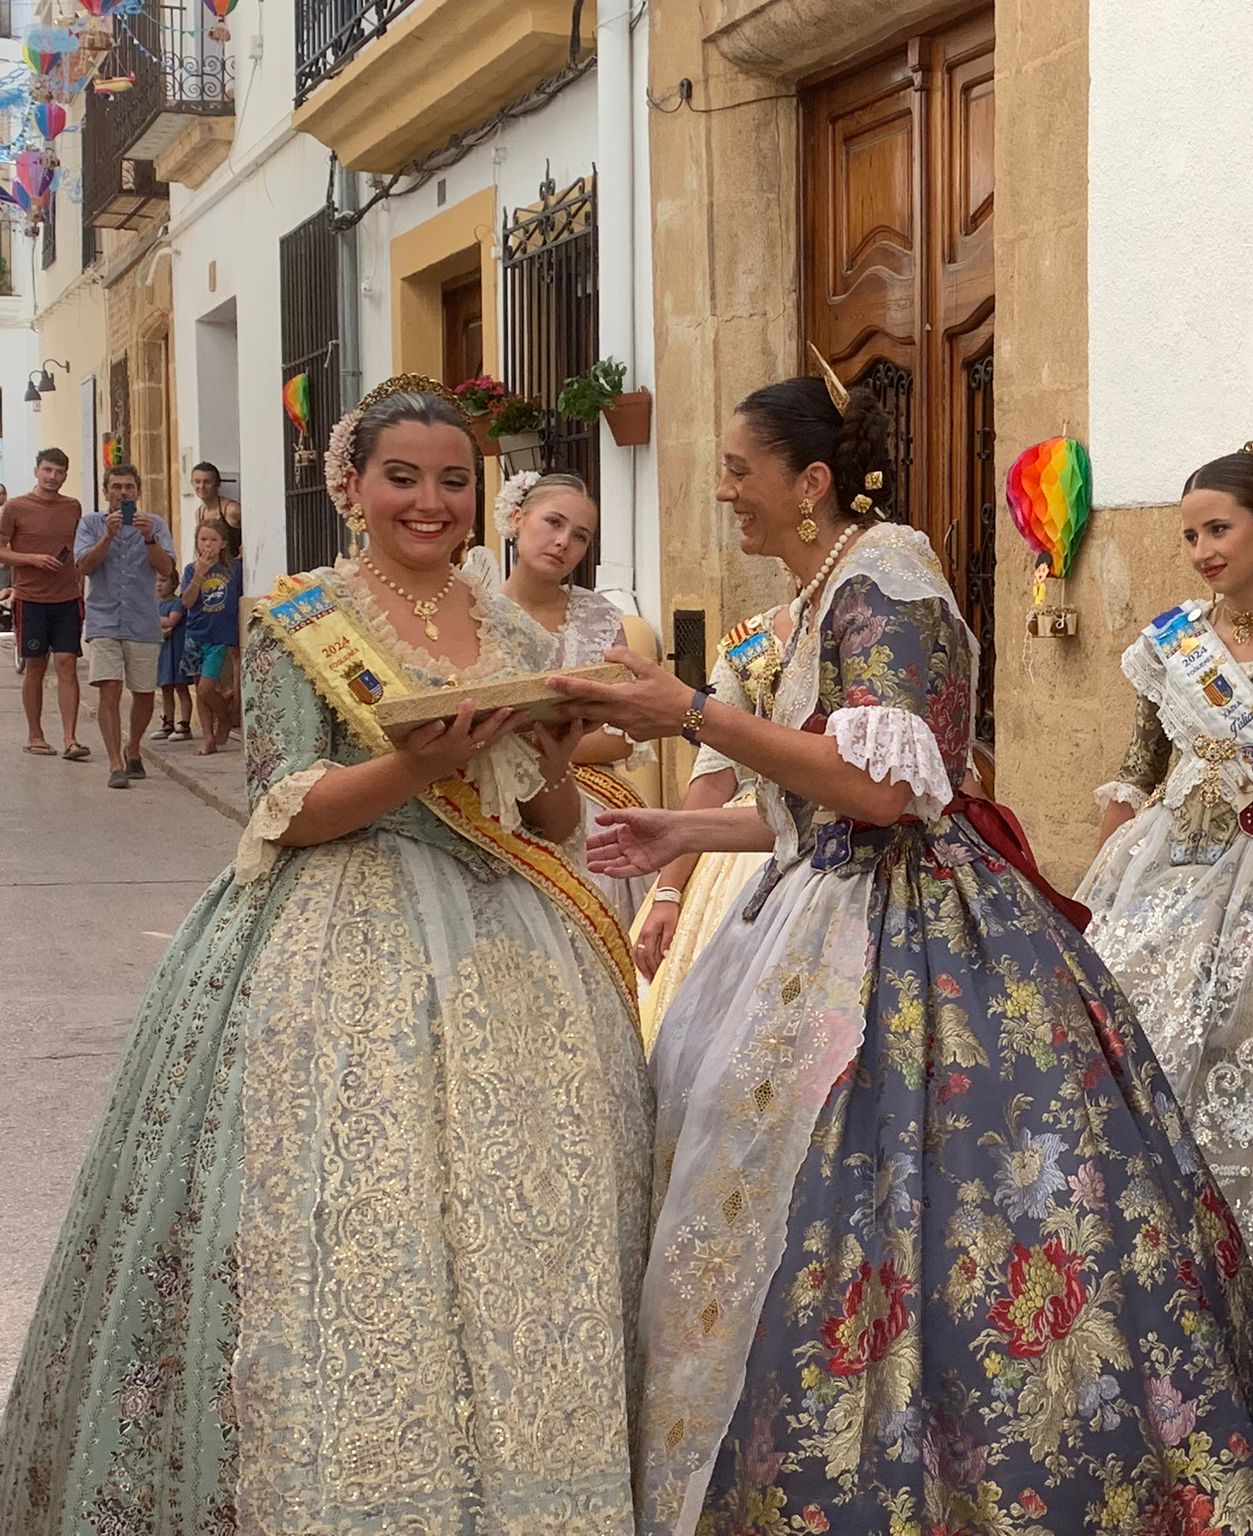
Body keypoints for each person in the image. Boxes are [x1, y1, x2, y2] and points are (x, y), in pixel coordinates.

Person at [552, 369, 1253, 1535]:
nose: (725, 497)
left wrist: (692, 717)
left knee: (956, 1205)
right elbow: (828, 802)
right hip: (825, 904)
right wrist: (689, 829)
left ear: (809, 482)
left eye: (739, 474)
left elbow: (884, 791)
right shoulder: (818, 593)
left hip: (910, 941)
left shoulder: (886, 580)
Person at [0, 377, 652, 1533]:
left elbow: (548, 825)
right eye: (403, 476)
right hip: (338, 930)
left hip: (508, 942)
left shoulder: (509, 626)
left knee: (518, 1226)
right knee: (350, 1224)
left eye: (454, 480)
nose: (431, 501)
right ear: (350, 486)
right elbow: (284, 805)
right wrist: (423, 765)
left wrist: (548, 749)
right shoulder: (295, 614)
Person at [1076, 440, 1253, 1360]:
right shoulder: (1172, 645)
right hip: (1162, 876)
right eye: (1190, 534)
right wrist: (1096, 884)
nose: (1201, 550)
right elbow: (1134, 768)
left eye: (1217, 529)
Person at [489, 469, 656, 923]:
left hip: (592, 797)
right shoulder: (477, 614)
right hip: (497, 795)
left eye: (580, 536)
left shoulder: (600, 616)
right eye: (554, 523)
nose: (564, 542)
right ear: (517, 518)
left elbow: (621, 737)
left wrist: (540, 752)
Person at [631, 611, 778, 1051]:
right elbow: (714, 776)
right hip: (747, 839)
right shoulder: (750, 643)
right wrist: (669, 893)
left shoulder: (877, 630)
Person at [76, 463, 177, 788]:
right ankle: (115, 762)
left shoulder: (155, 524)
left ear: (138, 491)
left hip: (142, 619)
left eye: (128, 488)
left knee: (144, 692)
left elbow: (167, 569)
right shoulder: (91, 523)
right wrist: (108, 535)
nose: (122, 493)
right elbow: (85, 567)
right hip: (104, 618)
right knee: (109, 687)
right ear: (106, 492)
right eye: (116, 487)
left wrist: (149, 539)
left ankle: (133, 747)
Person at [0, 450, 86, 759]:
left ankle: (71, 739)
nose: (52, 476)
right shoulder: (15, 507)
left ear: (65, 475)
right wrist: (32, 559)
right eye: (47, 470)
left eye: (59, 471)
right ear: (36, 471)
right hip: (30, 599)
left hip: (67, 599)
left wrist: (81, 582)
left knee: (67, 664)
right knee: (36, 666)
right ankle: (35, 735)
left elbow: (81, 548)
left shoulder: (73, 507)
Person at [179, 519, 242, 756]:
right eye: (203, 539)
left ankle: (224, 719)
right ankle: (208, 737)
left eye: (213, 540)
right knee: (199, 689)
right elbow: (186, 601)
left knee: (206, 689)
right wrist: (199, 574)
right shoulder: (190, 570)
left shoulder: (233, 570)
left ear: (223, 543)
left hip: (219, 638)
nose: (208, 545)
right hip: (195, 634)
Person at [154, 567, 194, 740]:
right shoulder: (154, 605)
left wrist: (152, 620)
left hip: (177, 651)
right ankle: (168, 722)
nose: (158, 585)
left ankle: (185, 723)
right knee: (166, 687)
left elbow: (172, 621)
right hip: (162, 652)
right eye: (156, 581)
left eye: (163, 581)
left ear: (173, 583)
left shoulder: (177, 603)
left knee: (181, 686)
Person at [190, 459, 241, 556]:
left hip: (234, 567)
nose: (202, 486)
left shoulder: (232, 510)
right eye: (197, 482)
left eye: (207, 482)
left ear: (217, 484)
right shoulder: (199, 513)